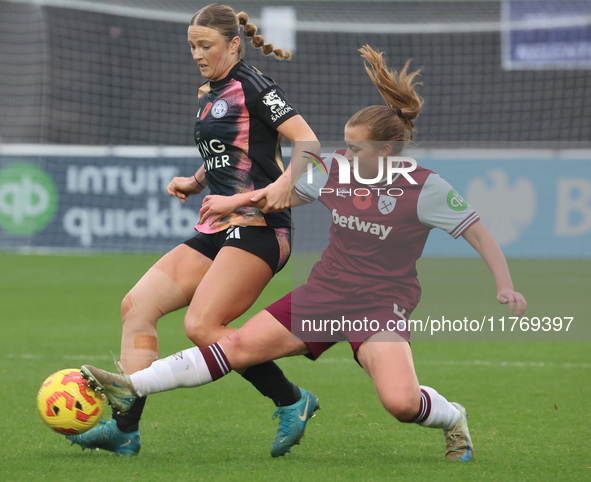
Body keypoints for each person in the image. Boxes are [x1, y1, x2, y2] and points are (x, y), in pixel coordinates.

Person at [79, 45, 527, 461]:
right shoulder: (332, 169)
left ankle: (452, 417)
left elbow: (481, 234)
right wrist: (232, 200)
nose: (344, 153)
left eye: (355, 148)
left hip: (379, 306)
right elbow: (278, 191)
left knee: (402, 403)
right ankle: (129, 386)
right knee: (232, 346)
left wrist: (504, 285)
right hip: (324, 295)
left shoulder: (426, 187)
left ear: (387, 152)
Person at [66, 4, 320, 457]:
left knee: (203, 325)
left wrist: (284, 184)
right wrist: (196, 179)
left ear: (234, 44)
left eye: (206, 46)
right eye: (192, 47)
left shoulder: (253, 85)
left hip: (260, 225)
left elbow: (308, 140)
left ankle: (292, 400)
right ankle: (126, 429)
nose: (198, 54)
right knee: (137, 305)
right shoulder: (210, 90)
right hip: (219, 223)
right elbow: (230, 147)